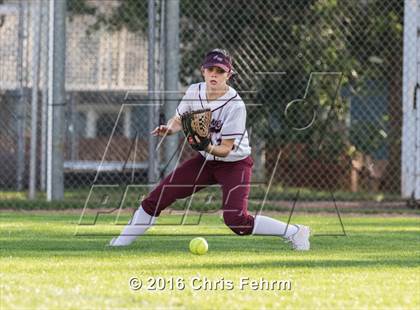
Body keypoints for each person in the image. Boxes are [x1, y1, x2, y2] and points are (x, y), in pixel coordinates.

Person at [109, 49, 311, 250]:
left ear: (229, 75)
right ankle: (119, 244)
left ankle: (295, 232)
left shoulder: (235, 105)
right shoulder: (194, 91)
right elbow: (179, 119)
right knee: (158, 196)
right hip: (205, 161)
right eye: (210, 69)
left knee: (236, 220)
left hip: (234, 163)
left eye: (220, 71)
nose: (214, 74)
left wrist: (205, 146)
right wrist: (169, 129)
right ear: (203, 71)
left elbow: (225, 149)